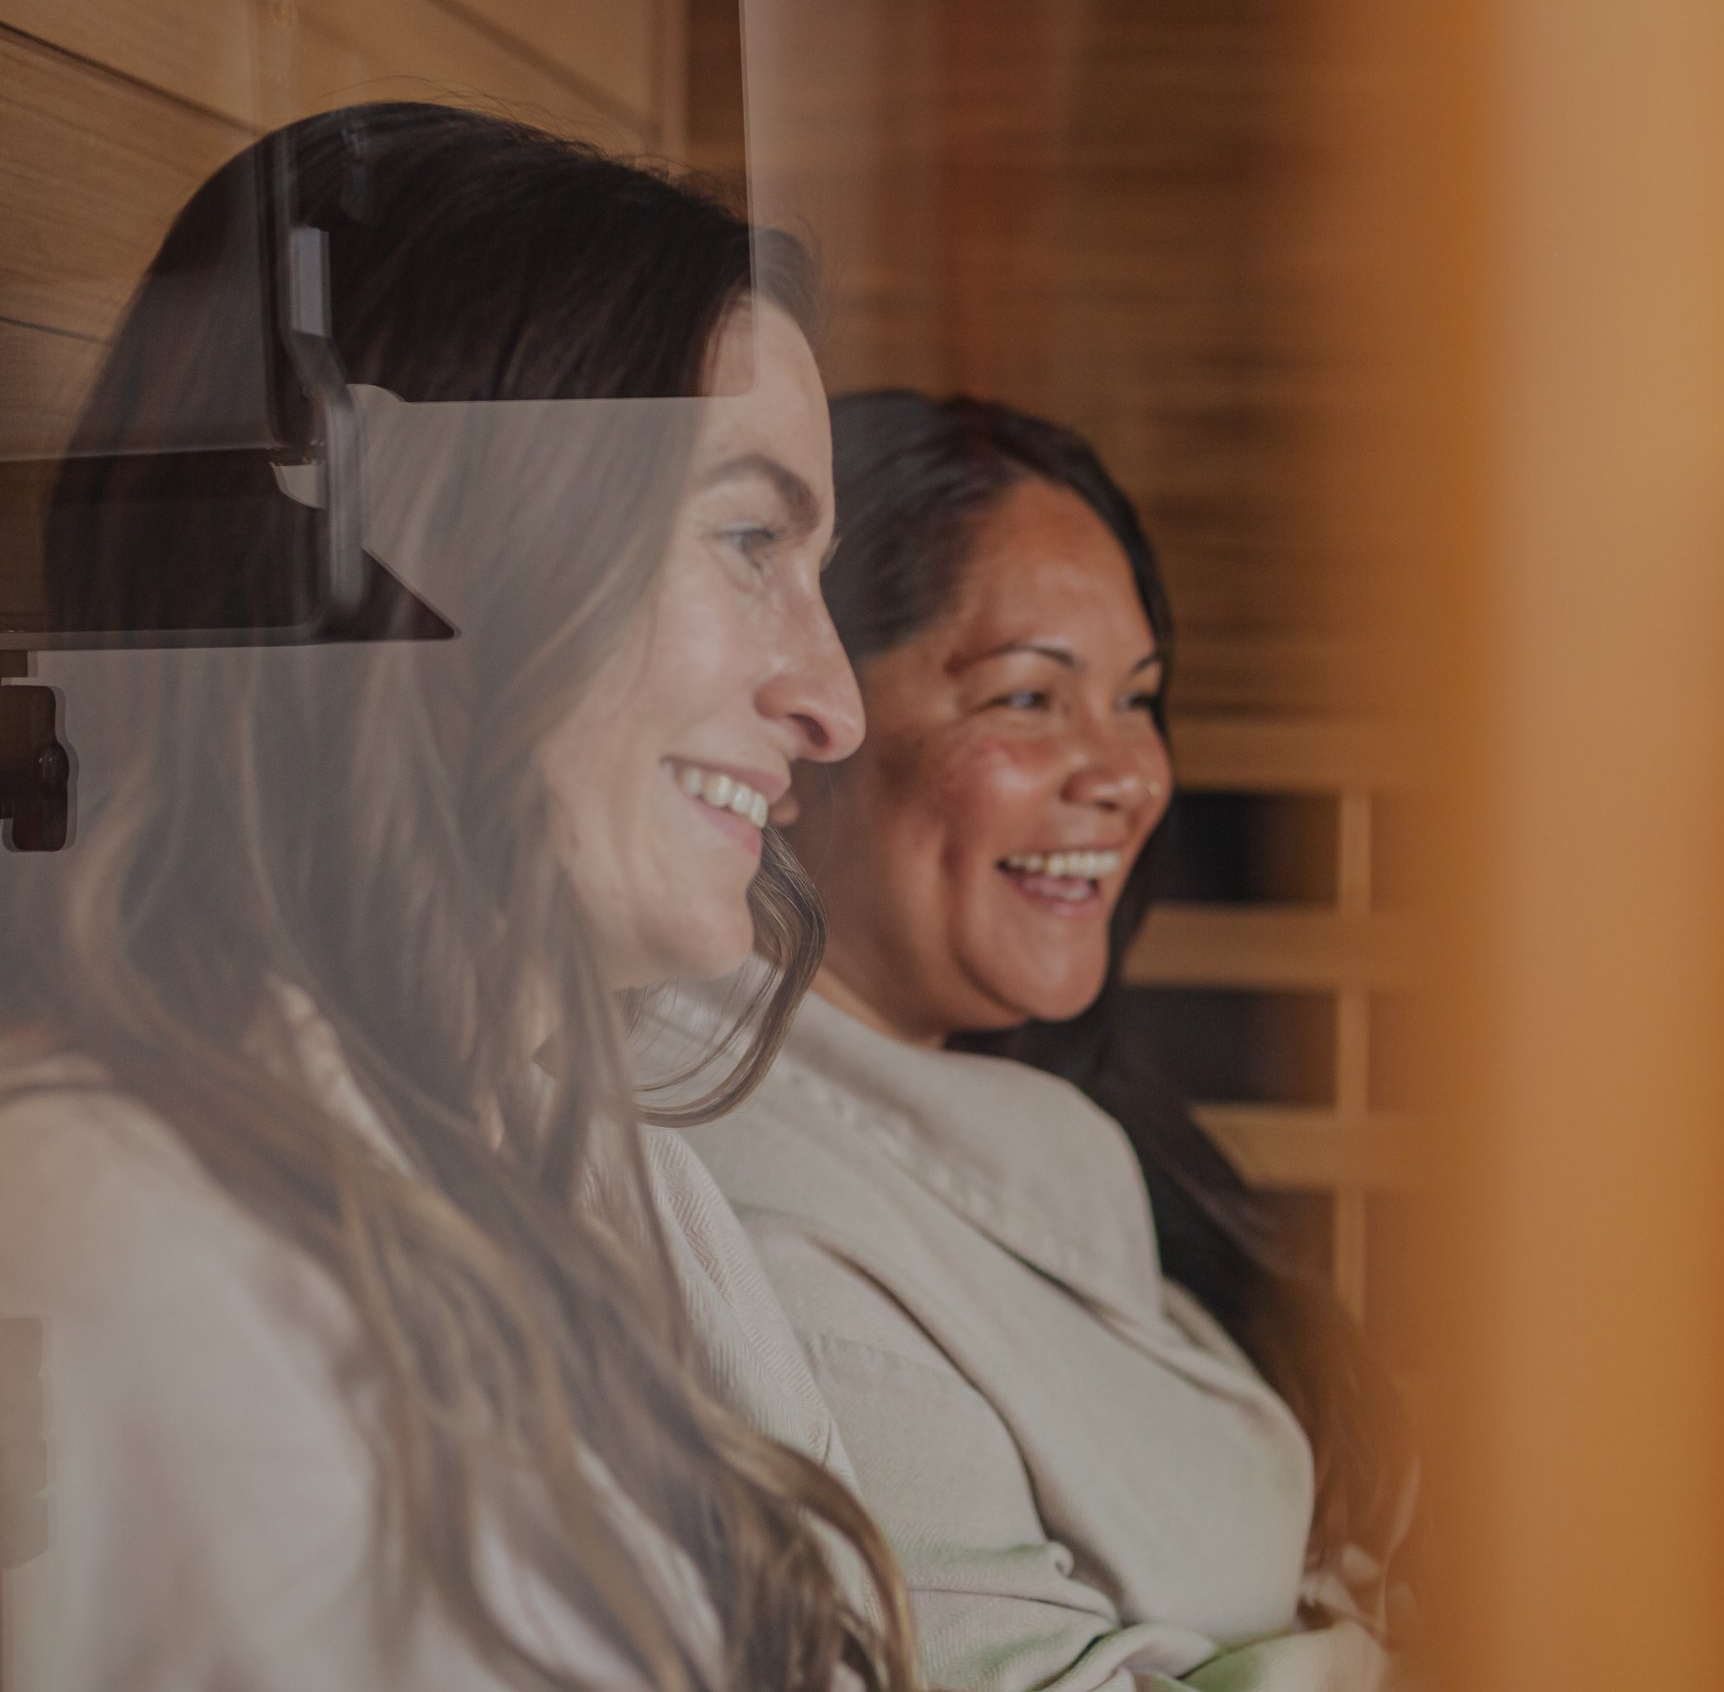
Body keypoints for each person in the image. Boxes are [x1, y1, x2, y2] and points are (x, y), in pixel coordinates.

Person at [0, 106, 917, 1692]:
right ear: (434, 553)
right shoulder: (116, 1247)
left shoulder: (598, 1167)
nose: (835, 704)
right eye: (748, 538)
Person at [647, 393, 1413, 1692]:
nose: (1128, 773)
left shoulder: (1056, 1125)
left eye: (1138, 699)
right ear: (809, 725)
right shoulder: (757, 1211)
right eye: (1028, 697)